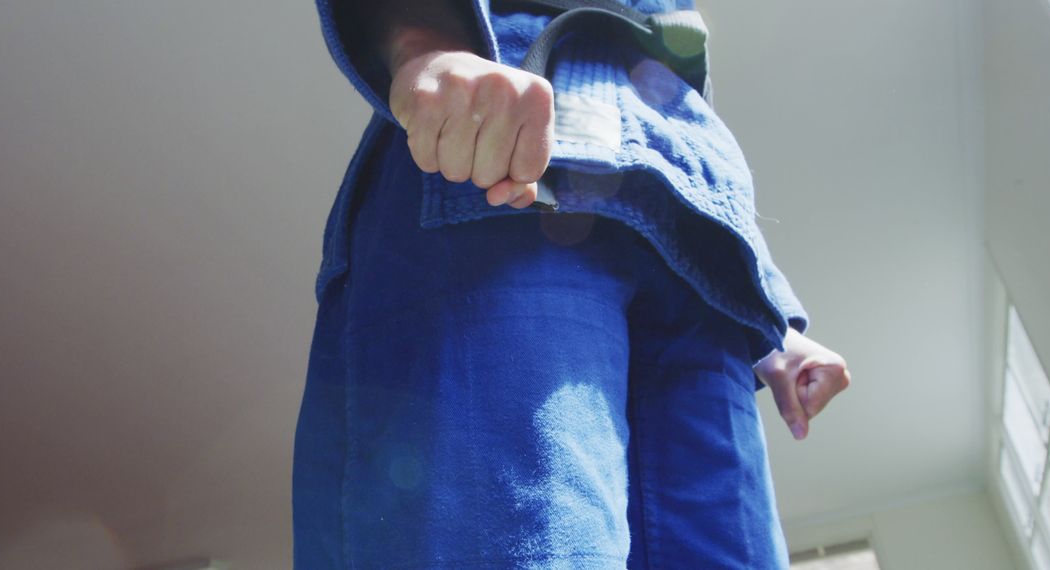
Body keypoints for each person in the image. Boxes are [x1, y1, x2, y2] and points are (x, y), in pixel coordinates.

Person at [294, 0, 852, 568]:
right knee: (522, 542)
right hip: (501, 154)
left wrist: (771, 312)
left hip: (705, 268)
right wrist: (423, 40)